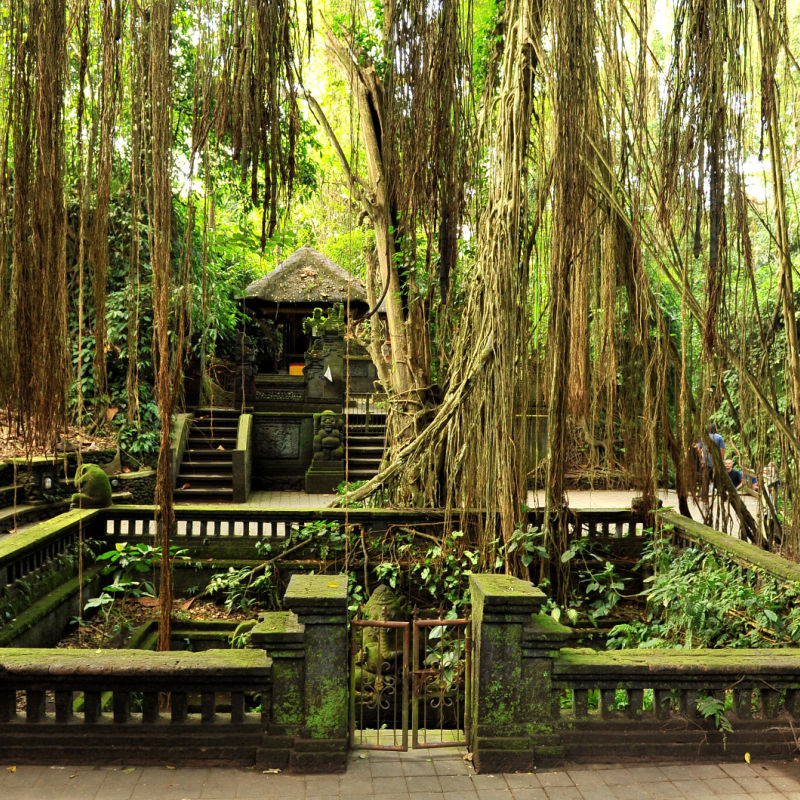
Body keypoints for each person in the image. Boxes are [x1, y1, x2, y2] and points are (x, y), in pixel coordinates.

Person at [696, 423, 725, 500]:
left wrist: (702, 457)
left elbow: (698, 449)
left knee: (706, 479)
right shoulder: (719, 437)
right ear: (715, 428)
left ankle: (703, 496)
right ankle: (723, 496)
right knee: (718, 479)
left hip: (706, 462)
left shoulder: (704, 438)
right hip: (716, 462)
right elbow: (722, 450)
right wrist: (721, 460)